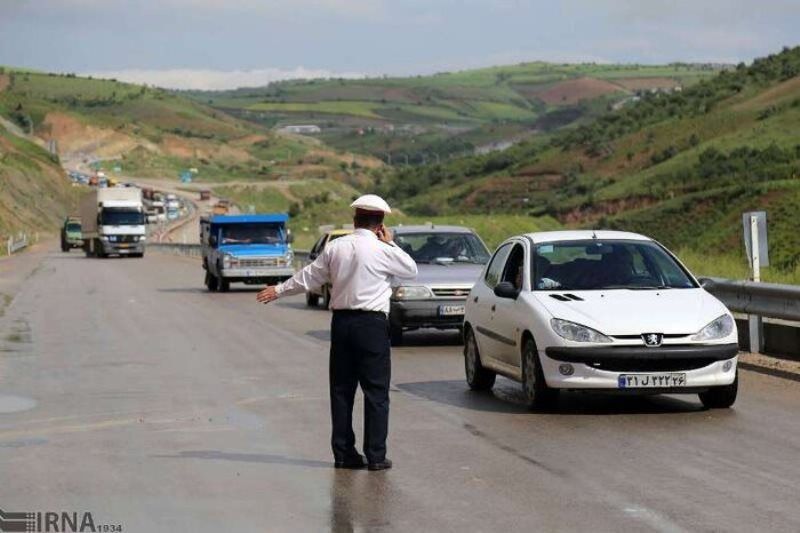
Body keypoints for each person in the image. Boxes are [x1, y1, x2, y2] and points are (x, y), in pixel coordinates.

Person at [256, 194, 417, 471]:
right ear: (381, 224)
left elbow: (309, 276)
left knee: (342, 391)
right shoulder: (384, 250)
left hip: (342, 324)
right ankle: (376, 456)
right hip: (372, 326)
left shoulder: (336, 247)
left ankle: (344, 454)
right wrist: (389, 241)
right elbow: (411, 270)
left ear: (355, 220)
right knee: (376, 393)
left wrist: (279, 290)